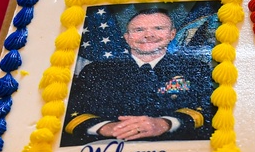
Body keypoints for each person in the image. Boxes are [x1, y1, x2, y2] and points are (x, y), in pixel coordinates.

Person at [62, 8, 214, 144]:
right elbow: (70, 113)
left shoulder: (194, 68)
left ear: (172, 34)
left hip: (174, 147)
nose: (148, 35)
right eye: (139, 30)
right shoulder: (95, 70)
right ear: (127, 37)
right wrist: (107, 127)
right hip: (108, 151)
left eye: (158, 28)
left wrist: (165, 123)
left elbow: (208, 110)